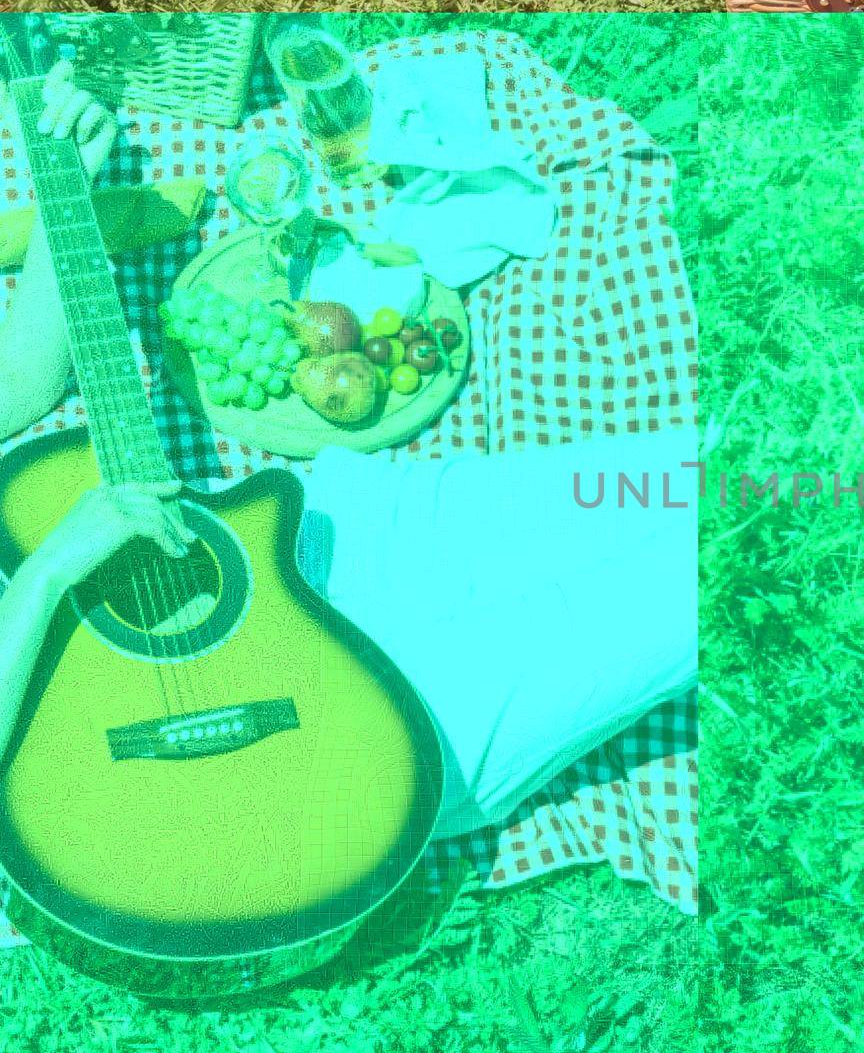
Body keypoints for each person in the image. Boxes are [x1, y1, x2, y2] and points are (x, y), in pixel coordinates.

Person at [0, 62, 698, 843]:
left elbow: (21, 382)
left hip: (309, 545)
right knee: (696, 588)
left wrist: (69, 183)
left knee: (700, 476)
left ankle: (851, 477)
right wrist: (50, 568)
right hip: (265, 734)